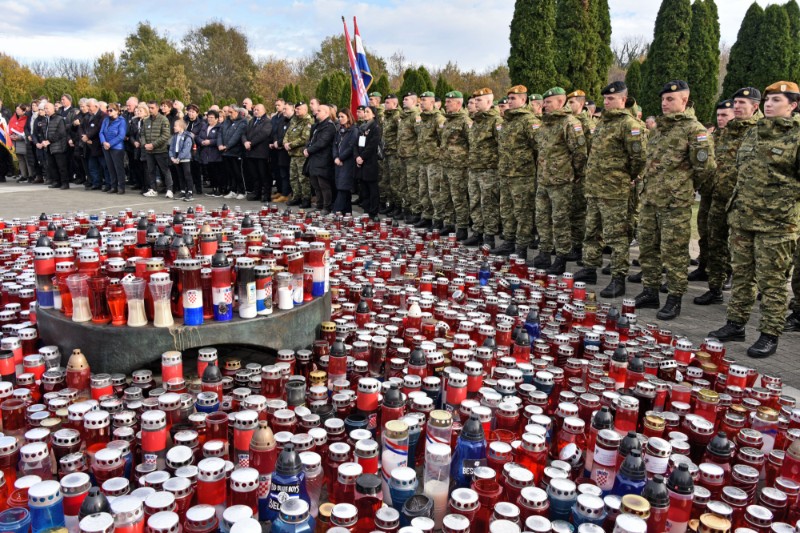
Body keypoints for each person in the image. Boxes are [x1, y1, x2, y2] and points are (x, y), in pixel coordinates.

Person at [708, 81, 800, 357]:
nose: (769, 104)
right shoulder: (754, 132)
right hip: (743, 218)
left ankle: (769, 334)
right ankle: (736, 324)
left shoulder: (796, 136)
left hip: (777, 223)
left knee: (771, 282)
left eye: (777, 100)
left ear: (793, 106)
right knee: (742, 276)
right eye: (768, 99)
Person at [634, 80, 716, 320]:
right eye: (663, 99)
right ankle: (650, 291)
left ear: (684, 100)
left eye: (670, 99)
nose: (664, 103)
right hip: (650, 200)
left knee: (674, 253)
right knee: (648, 249)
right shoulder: (659, 128)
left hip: (674, 204)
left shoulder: (694, 129)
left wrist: (684, 187)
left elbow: (706, 168)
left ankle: (674, 297)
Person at [573, 81, 647, 298]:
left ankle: (618, 278)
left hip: (615, 190)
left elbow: (639, 158)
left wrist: (627, 177)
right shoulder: (603, 123)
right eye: (605, 99)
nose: (607, 102)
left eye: (611, 99)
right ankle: (589, 268)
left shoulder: (629, 125)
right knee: (592, 231)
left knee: (616, 236)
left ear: (623, 100)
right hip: (595, 188)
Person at [695, 90, 762, 307]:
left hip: (746, 203)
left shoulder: (760, 131)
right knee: (715, 242)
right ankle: (715, 288)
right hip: (719, 198)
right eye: (736, 102)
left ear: (755, 106)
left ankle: (747, 297)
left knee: (744, 250)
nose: (737, 106)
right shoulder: (725, 133)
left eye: (742, 103)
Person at [530, 87, 588, 274]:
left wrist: (575, 174)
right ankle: (545, 253)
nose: (544, 105)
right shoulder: (545, 124)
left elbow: (580, 153)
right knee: (542, 218)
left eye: (548, 102)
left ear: (560, 102)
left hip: (561, 181)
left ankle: (561, 257)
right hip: (544, 180)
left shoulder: (569, 123)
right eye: (544, 102)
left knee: (560, 220)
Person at [465, 88, 502, 248]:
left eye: (479, 100)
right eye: (474, 100)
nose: (475, 103)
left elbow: (502, 145)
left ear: (488, 102)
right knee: (474, 202)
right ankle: (477, 232)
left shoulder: (496, 121)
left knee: (488, 204)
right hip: (474, 168)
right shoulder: (476, 120)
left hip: (489, 170)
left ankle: (489, 236)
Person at [566, 89, 596, 259]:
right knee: (570, 211)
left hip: (582, 174)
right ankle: (571, 244)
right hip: (569, 173)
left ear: (582, 104)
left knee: (579, 212)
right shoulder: (568, 121)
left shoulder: (587, 124)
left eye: (572, 102)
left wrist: (579, 172)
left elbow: (588, 151)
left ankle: (577, 248)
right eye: (567, 102)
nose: (569, 106)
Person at [439, 91, 472, 240]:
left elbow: (472, 143)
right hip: (446, 164)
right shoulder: (448, 121)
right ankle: (449, 224)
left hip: (459, 166)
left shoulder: (465, 121)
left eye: (449, 102)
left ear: (458, 104)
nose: (446, 104)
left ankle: (462, 227)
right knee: (445, 197)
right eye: (446, 101)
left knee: (458, 198)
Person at [413, 92, 445, 230]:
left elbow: (443, 139)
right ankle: (426, 216)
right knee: (423, 191)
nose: (421, 102)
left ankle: (438, 220)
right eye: (421, 100)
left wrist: (437, 154)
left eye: (424, 100)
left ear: (432, 102)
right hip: (423, 160)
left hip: (434, 161)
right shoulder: (422, 118)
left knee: (434, 192)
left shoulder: (438, 119)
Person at [304, 103, 336, 212]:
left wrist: (309, 150)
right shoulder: (317, 125)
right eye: (316, 110)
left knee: (324, 185)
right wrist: (307, 147)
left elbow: (322, 142)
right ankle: (319, 205)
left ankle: (327, 207)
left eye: (319, 111)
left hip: (323, 159)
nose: (316, 112)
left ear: (326, 113)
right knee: (315, 184)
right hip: (314, 159)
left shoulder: (329, 126)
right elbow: (311, 140)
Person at [397, 93, 421, 223]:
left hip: (412, 156)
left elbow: (419, 136)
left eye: (406, 99)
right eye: (403, 99)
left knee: (413, 185)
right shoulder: (404, 116)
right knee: (404, 185)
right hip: (403, 155)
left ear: (413, 101)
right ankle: (406, 209)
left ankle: (416, 211)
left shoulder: (415, 116)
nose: (403, 101)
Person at [283, 102, 314, 207]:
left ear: (305, 110)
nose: (296, 111)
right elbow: (287, 133)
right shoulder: (294, 120)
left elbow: (305, 138)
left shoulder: (308, 121)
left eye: (298, 109)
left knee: (303, 178)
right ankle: (296, 196)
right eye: (295, 109)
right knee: (293, 177)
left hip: (301, 154)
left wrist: (290, 144)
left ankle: (306, 199)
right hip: (293, 155)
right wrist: (285, 143)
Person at [355, 106, 383, 219]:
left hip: (370, 161)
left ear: (373, 115)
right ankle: (366, 210)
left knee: (372, 188)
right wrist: (357, 156)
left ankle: (373, 212)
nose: (365, 114)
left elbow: (372, 145)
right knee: (364, 188)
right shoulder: (362, 127)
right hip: (361, 161)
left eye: (368, 112)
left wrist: (362, 157)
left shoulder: (375, 127)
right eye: (364, 111)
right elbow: (356, 143)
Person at [141, 100, 172, 198]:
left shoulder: (163, 119)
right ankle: (153, 189)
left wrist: (153, 145)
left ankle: (169, 190)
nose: (150, 110)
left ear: (157, 108)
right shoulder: (146, 121)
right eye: (149, 108)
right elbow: (142, 134)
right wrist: (145, 144)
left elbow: (166, 135)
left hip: (160, 150)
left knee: (165, 170)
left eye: (152, 108)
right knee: (151, 171)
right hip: (149, 151)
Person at [242, 104, 272, 201]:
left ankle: (266, 194)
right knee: (254, 175)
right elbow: (244, 133)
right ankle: (256, 193)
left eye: (257, 110)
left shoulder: (267, 121)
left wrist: (251, 143)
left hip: (261, 153)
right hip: (251, 153)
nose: (255, 111)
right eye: (254, 110)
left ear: (264, 110)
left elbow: (263, 134)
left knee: (263, 175)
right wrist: (245, 141)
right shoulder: (252, 121)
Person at [37, 102, 69, 189]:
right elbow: (43, 132)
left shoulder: (59, 119)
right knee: (52, 165)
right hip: (48, 147)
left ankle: (65, 183)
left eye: (47, 108)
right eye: (45, 109)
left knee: (61, 166)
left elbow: (61, 132)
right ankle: (56, 181)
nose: (46, 110)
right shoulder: (45, 120)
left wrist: (49, 141)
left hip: (58, 146)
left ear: (53, 109)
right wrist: (43, 141)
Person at [333, 108, 358, 214]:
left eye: (342, 116)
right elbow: (334, 145)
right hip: (338, 162)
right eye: (339, 117)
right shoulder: (339, 130)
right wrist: (335, 157)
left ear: (348, 117)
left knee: (343, 187)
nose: (340, 119)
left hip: (348, 163)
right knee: (343, 187)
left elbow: (351, 146)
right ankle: (347, 212)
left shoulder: (354, 130)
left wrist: (341, 158)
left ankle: (336, 211)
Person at [218, 107, 247, 199]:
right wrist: (220, 144)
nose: (229, 114)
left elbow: (237, 136)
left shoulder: (242, 121)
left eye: (231, 112)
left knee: (238, 173)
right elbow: (220, 133)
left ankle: (242, 191)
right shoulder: (226, 121)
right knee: (230, 173)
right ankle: (233, 190)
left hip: (236, 152)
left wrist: (227, 146)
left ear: (237, 112)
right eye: (228, 112)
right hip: (225, 152)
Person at [99, 103, 127, 194]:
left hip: (117, 148)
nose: (109, 112)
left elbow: (121, 135)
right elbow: (101, 132)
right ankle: (113, 186)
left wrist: (110, 144)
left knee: (118, 168)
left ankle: (121, 187)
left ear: (117, 111)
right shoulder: (106, 120)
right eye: (108, 110)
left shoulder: (121, 121)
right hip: (106, 147)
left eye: (111, 110)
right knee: (110, 167)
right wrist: (104, 142)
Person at [382, 95, 402, 217]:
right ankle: (392, 205)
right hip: (387, 152)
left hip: (394, 153)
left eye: (388, 102)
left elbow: (401, 135)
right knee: (387, 181)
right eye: (385, 102)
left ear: (395, 104)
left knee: (395, 182)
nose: (385, 104)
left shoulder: (397, 116)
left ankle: (399, 207)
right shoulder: (387, 116)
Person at [82, 99, 107, 190]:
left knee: (104, 166)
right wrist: (84, 136)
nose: (88, 108)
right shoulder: (88, 116)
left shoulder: (102, 116)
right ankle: (96, 183)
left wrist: (88, 136)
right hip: (90, 145)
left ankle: (108, 184)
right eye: (87, 106)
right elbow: (81, 127)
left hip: (98, 144)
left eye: (89, 106)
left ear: (96, 106)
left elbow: (98, 129)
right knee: (92, 166)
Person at [198, 109, 223, 196]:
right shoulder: (204, 127)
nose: (210, 119)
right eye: (209, 117)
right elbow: (199, 137)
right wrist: (201, 141)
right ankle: (213, 188)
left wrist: (210, 142)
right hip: (205, 153)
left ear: (217, 119)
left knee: (217, 172)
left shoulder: (219, 127)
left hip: (215, 153)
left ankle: (218, 189)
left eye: (212, 118)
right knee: (210, 172)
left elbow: (219, 139)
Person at [272, 102, 293, 202]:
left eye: (286, 109)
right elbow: (276, 132)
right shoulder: (282, 120)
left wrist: (279, 143)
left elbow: (288, 135)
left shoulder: (293, 121)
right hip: (280, 151)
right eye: (283, 109)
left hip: (288, 151)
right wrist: (275, 141)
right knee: (282, 174)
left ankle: (288, 194)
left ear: (292, 109)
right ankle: (283, 192)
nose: (283, 111)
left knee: (289, 175)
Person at [169, 119, 195, 201]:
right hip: (176, 158)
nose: (174, 127)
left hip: (185, 159)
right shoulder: (175, 136)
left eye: (175, 126)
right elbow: (171, 148)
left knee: (187, 175)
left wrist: (179, 158)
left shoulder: (187, 137)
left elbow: (186, 149)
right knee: (180, 175)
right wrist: (172, 157)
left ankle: (190, 191)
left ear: (181, 127)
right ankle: (183, 190)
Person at [183, 104, 204, 195]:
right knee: (187, 169)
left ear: (197, 113)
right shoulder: (184, 121)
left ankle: (198, 188)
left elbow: (201, 135)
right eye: (189, 111)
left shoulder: (201, 123)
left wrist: (193, 136)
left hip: (196, 148)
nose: (191, 113)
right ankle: (188, 187)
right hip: (185, 147)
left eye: (193, 112)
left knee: (196, 169)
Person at [269, 99, 286, 201]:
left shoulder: (285, 118)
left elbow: (283, 132)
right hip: (274, 146)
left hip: (281, 147)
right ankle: (279, 190)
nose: (277, 107)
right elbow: (273, 131)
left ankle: (285, 192)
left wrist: (278, 143)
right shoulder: (274, 118)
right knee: (276, 171)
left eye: (279, 105)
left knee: (283, 172)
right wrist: (274, 141)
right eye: (276, 105)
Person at [129, 103, 149, 192]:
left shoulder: (148, 121)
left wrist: (142, 142)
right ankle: (141, 184)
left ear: (146, 112)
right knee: (138, 167)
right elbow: (131, 135)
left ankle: (147, 186)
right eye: (138, 111)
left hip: (145, 147)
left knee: (146, 168)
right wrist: (134, 142)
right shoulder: (135, 121)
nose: (138, 113)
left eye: (140, 111)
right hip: (137, 147)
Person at [9, 105, 30, 182]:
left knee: (27, 159)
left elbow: (26, 129)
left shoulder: (26, 118)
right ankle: (23, 175)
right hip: (15, 142)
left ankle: (30, 175)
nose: (17, 111)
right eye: (16, 109)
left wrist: (20, 137)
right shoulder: (13, 118)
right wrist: (10, 135)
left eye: (19, 109)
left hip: (23, 141)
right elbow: (10, 127)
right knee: (20, 159)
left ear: (23, 111)